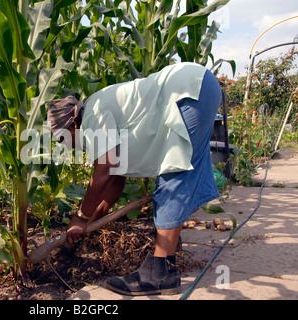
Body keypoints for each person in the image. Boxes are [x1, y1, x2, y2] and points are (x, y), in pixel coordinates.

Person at [47, 62, 222, 296]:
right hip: (199, 85)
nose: (67, 146)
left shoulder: (92, 115)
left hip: (186, 91)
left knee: (175, 172)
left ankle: (161, 272)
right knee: (183, 170)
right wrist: (90, 221)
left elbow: (104, 174)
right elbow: (115, 183)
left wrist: (80, 217)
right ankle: (169, 248)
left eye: (63, 139)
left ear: (72, 121)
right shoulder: (99, 111)